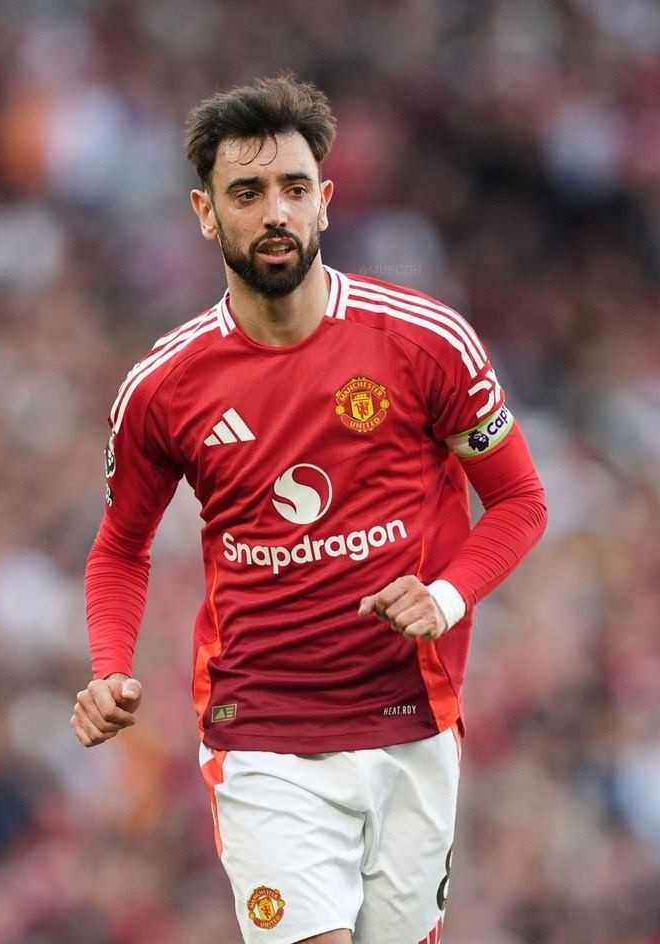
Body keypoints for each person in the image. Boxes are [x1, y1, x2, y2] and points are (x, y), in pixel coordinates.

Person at [71, 73, 547, 944]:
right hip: (262, 734)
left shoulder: (425, 342)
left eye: (294, 188)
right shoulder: (163, 387)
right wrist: (109, 666)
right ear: (205, 213)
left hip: (411, 721)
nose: (275, 212)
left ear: (325, 200)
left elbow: (519, 499)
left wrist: (444, 597)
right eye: (246, 193)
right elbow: (121, 547)